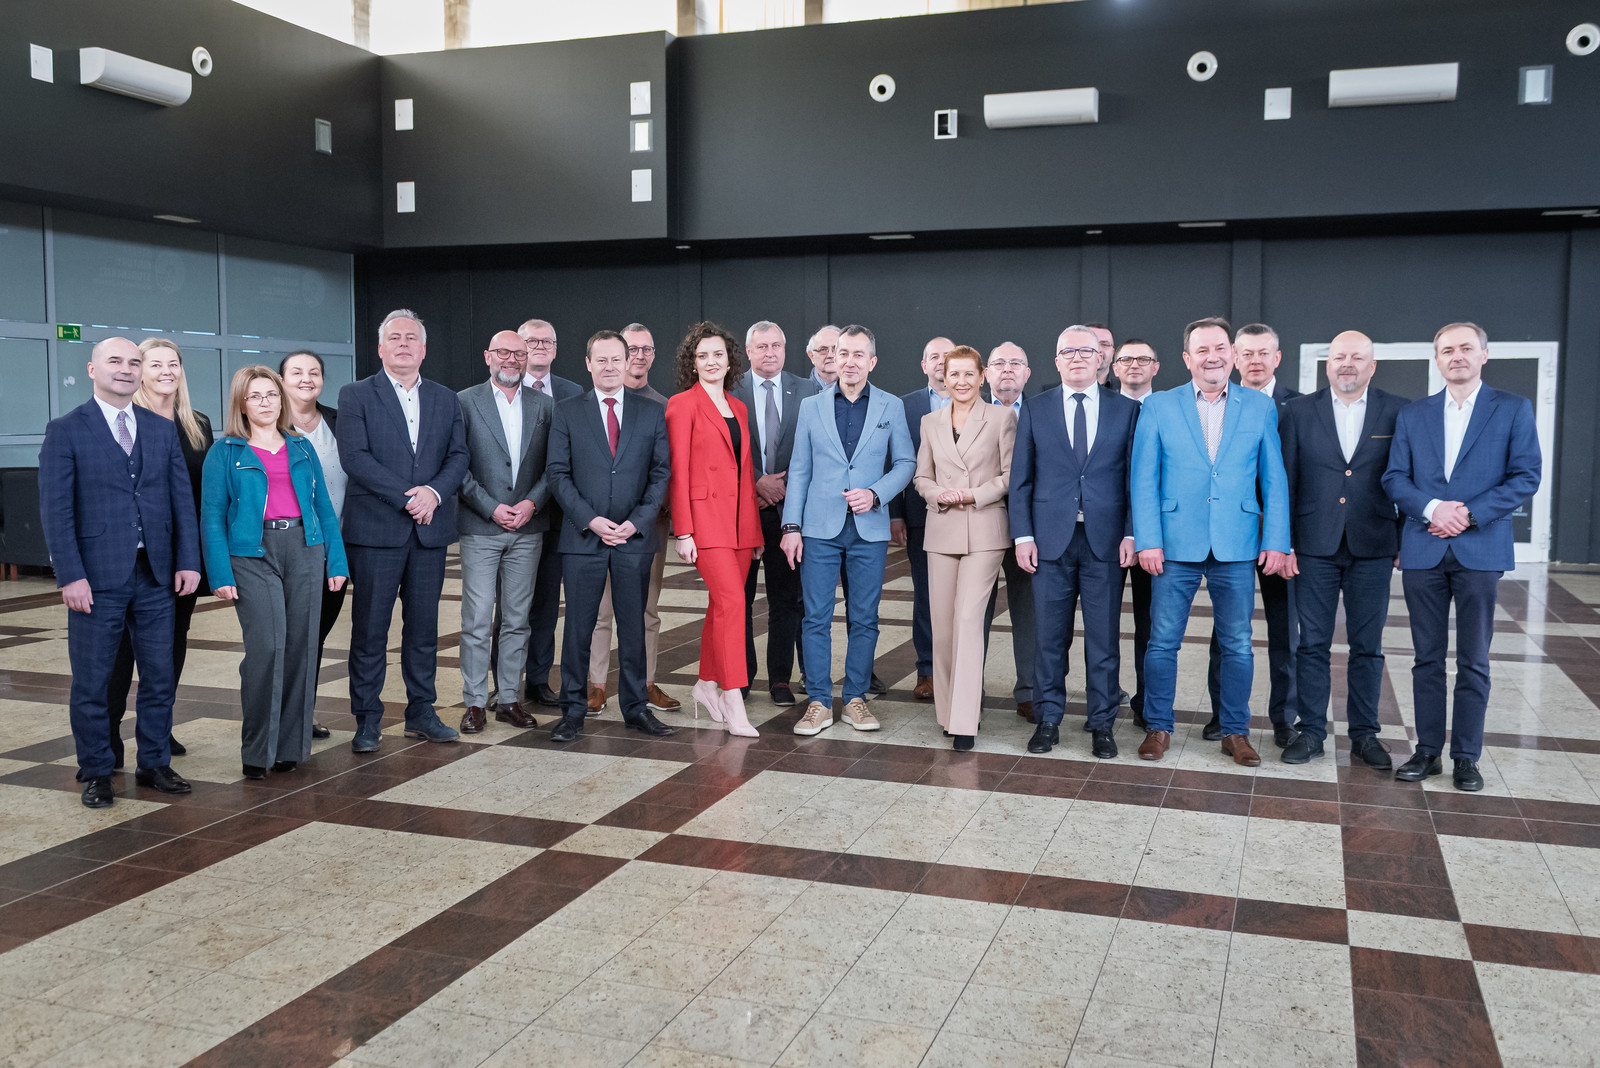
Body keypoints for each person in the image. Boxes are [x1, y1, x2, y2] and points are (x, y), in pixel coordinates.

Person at [39, 337, 200, 807]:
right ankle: (96, 770)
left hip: (156, 575)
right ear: (93, 369)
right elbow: (55, 511)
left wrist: (188, 560)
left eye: (133, 362)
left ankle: (154, 763)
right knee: (93, 681)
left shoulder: (160, 429)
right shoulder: (66, 430)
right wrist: (70, 575)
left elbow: (181, 502)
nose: (126, 369)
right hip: (95, 578)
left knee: (159, 676)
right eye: (115, 361)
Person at [1383, 322, 1541, 792]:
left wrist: (1468, 514)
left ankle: (1466, 757)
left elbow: (1526, 476)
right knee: (1426, 658)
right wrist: (1434, 508)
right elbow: (1394, 478)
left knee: (1474, 659)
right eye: (1447, 350)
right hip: (1423, 548)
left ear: (1484, 355)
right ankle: (1428, 751)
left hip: (1480, 549)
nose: (1457, 356)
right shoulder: (1414, 414)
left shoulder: (1512, 408)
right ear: (1437, 359)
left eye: (1466, 348)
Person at [1131, 317, 1291, 766]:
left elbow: (1273, 480)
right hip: (1173, 544)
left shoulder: (1259, 407)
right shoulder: (1158, 406)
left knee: (1238, 643)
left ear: (1233, 355)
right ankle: (1158, 727)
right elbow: (1143, 479)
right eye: (1202, 350)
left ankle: (1235, 731)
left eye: (1220, 348)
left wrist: (1276, 540)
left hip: (1237, 543)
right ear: (1187, 358)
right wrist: (1147, 540)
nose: (1212, 357)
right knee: (1163, 642)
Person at [202, 367, 348, 778]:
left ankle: (289, 748)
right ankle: (257, 751)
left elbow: (323, 508)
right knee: (267, 648)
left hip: (305, 549)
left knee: (302, 648)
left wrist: (337, 561)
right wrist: (219, 573)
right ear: (241, 404)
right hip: (252, 554)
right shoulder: (225, 452)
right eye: (255, 396)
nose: (265, 402)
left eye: (271, 394)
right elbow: (211, 515)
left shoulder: (301, 446)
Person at [336, 309, 469, 753]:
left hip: (429, 533)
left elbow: (459, 457)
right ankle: (367, 719)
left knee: (424, 630)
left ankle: (422, 712)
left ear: (424, 349)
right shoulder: (355, 395)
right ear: (380, 348)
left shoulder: (446, 399)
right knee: (370, 630)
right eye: (395, 337)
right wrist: (408, 497)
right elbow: (355, 457)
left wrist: (433, 493)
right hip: (376, 531)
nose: (404, 344)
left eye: (412, 338)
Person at [1279, 331, 1405, 768]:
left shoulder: (1398, 411)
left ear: (1373, 366)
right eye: (1339, 357)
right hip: (1314, 544)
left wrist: (1403, 539)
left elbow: (1411, 478)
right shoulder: (1298, 411)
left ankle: (1365, 736)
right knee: (1311, 643)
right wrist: (1284, 543)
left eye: (1357, 357)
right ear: (1328, 364)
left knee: (1367, 646)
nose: (1347, 364)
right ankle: (1311, 731)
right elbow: (1286, 481)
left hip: (1374, 544)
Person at [781, 325, 916, 735]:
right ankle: (819, 702)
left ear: (871, 362)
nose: (850, 361)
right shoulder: (811, 407)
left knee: (865, 617)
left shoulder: (891, 406)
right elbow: (799, 470)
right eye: (843, 353)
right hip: (819, 527)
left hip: (868, 529)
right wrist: (791, 526)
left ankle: (855, 698)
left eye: (859, 354)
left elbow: (906, 464)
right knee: (815, 617)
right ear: (833, 358)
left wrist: (876, 494)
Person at [1013, 325, 1139, 757]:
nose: (1078, 358)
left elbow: (1134, 479)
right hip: (1050, 541)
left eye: (1086, 350)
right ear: (1056, 360)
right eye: (1068, 351)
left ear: (1101, 358)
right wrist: (1023, 535)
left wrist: (1131, 531)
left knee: (1103, 640)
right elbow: (1021, 479)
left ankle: (1102, 723)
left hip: (1106, 542)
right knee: (1050, 638)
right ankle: (1048, 720)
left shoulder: (1126, 410)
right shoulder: (1036, 408)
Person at [545, 330, 674, 743]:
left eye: (616, 359)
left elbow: (660, 474)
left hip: (634, 538)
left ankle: (636, 709)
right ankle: (572, 712)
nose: (609, 366)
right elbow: (557, 474)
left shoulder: (650, 412)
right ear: (588, 364)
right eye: (600, 360)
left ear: (628, 361)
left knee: (633, 628)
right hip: (583, 538)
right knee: (578, 629)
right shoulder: (567, 411)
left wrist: (637, 522)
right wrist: (590, 520)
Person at [105, 337, 211, 766]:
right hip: (131, 555)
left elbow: (200, 495)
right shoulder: (123, 420)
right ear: (139, 371)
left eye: (173, 364)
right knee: (120, 650)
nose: (167, 371)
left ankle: (158, 730)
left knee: (170, 646)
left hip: (181, 556)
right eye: (155, 364)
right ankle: (108, 736)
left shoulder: (197, 423)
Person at [913, 346, 1016, 750]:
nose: (960, 381)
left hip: (984, 530)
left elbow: (1010, 474)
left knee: (969, 620)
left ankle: (964, 722)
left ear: (982, 376)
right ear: (943, 376)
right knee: (942, 628)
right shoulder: (930, 422)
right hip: (941, 528)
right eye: (953, 374)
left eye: (968, 374)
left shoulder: (1002, 417)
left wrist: (973, 494)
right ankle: (947, 713)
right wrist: (938, 494)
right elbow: (922, 476)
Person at [1204, 323, 1300, 747]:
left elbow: (1299, 478)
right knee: (1225, 634)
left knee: (1284, 631)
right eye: (1246, 353)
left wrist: (1287, 540)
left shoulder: (1300, 407)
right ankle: (1222, 715)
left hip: (1278, 540)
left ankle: (1284, 718)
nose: (1255, 361)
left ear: (1277, 358)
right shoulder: (1216, 403)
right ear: (1233, 358)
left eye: (1263, 353)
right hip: (1230, 538)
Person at [667, 322, 765, 736]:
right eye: (702, 355)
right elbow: (678, 471)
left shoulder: (738, 407)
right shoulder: (681, 405)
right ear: (692, 363)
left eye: (718, 355)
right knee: (732, 604)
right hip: (705, 523)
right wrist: (683, 531)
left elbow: (746, 474)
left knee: (721, 607)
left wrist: (754, 532)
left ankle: (706, 683)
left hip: (739, 525)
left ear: (730, 361)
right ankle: (732, 695)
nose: (711, 361)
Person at [454, 330, 551, 734]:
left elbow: (554, 465)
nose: (511, 359)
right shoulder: (464, 402)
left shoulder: (545, 405)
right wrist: (491, 507)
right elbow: (456, 464)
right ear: (487, 356)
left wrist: (531, 504)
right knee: (477, 619)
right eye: (503, 352)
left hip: (528, 528)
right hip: (481, 526)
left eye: (519, 353)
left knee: (517, 619)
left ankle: (509, 698)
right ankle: (475, 702)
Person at [587, 323, 679, 716]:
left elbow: (667, 468)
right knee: (600, 610)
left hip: (647, 525)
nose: (639, 356)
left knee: (647, 610)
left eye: (646, 349)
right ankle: (596, 685)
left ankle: (645, 682)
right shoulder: (592, 402)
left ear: (652, 356)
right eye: (633, 349)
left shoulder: (664, 406)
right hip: (600, 525)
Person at [733, 320, 818, 706]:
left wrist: (783, 488)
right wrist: (756, 482)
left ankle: (780, 679)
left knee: (787, 599)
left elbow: (815, 448)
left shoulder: (807, 390)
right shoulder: (729, 389)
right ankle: (742, 675)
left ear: (785, 349)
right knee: (740, 597)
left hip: (789, 513)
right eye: (762, 346)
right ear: (749, 352)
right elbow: (721, 448)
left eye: (776, 346)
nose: (770, 353)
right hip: (742, 510)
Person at [281, 349, 348, 740]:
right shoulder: (267, 424)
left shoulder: (340, 422)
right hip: (287, 552)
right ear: (281, 379)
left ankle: (301, 714)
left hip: (333, 551)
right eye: (296, 372)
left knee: (314, 637)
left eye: (314, 372)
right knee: (284, 638)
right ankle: (278, 717)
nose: (306, 379)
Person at [518, 317, 584, 708]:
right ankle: (505, 682)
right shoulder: (502, 388)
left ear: (556, 350)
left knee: (545, 603)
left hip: (559, 516)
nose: (539, 347)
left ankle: (538, 680)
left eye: (547, 341)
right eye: (532, 341)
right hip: (513, 515)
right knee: (511, 605)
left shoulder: (573, 393)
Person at [892, 335, 954, 702]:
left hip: (967, 514)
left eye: (948, 355)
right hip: (920, 515)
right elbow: (895, 461)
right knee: (926, 596)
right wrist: (896, 514)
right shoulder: (904, 406)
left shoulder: (977, 401)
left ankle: (958, 669)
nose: (941, 362)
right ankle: (927, 670)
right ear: (924, 365)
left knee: (962, 599)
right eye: (934, 356)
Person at [982, 341, 1037, 723]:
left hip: (1029, 529)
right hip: (980, 524)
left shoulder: (1042, 412)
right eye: (999, 363)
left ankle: (1029, 692)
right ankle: (970, 690)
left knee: (1029, 612)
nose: (1007, 369)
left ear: (1027, 373)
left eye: (1016, 363)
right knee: (974, 614)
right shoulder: (969, 412)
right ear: (986, 373)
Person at [1112, 339, 1159, 727]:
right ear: (1114, 368)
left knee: (1151, 625)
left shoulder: (1169, 409)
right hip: (1107, 535)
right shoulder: (1103, 409)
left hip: (1155, 536)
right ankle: (1106, 699)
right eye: (1126, 359)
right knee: (1104, 624)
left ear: (1156, 367)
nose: (1134, 365)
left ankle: (1147, 702)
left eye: (1143, 359)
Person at [805, 324, 841, 390]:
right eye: (823, 349)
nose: (830, 355)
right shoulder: (799, 391)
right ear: (812, 356)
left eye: (836, 349)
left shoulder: (858, 391)